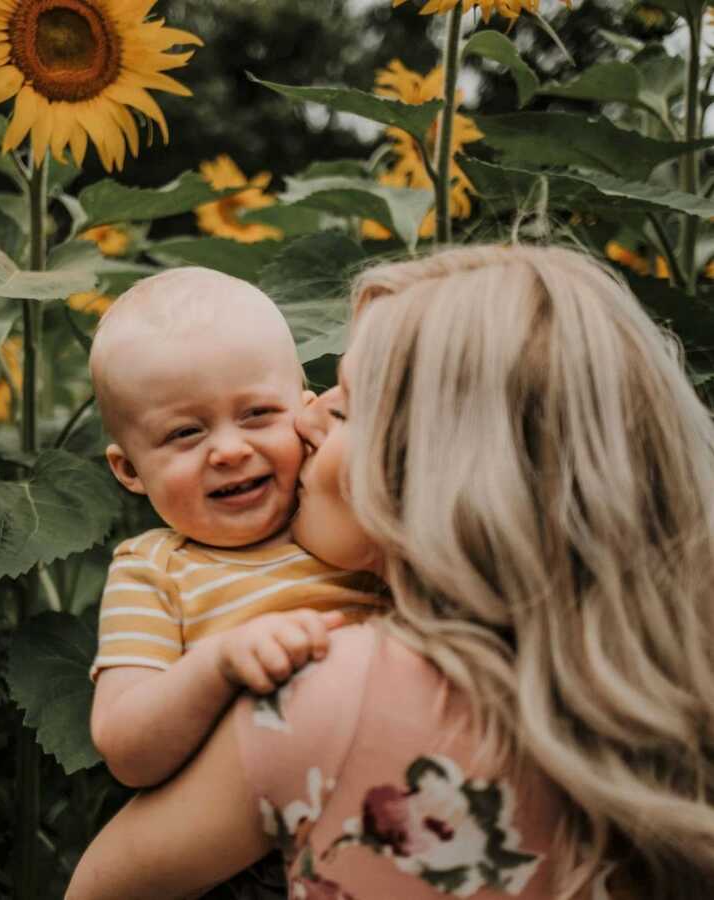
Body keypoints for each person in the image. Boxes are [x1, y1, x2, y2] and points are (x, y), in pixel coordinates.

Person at [68, 243, 714, 899]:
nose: (307, 416)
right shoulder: (669, 692)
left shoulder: (337, 694)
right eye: (186, 433)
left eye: (344, 408)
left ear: (433, 473)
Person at [87, 266, 384, 793]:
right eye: (185, 432)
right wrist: (218, 664)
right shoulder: (155, 571)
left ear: (308, 412)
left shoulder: (346, 517)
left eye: (257, 414)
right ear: (129, 470)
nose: (228, 450)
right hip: (246, 846)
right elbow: (125, 748)